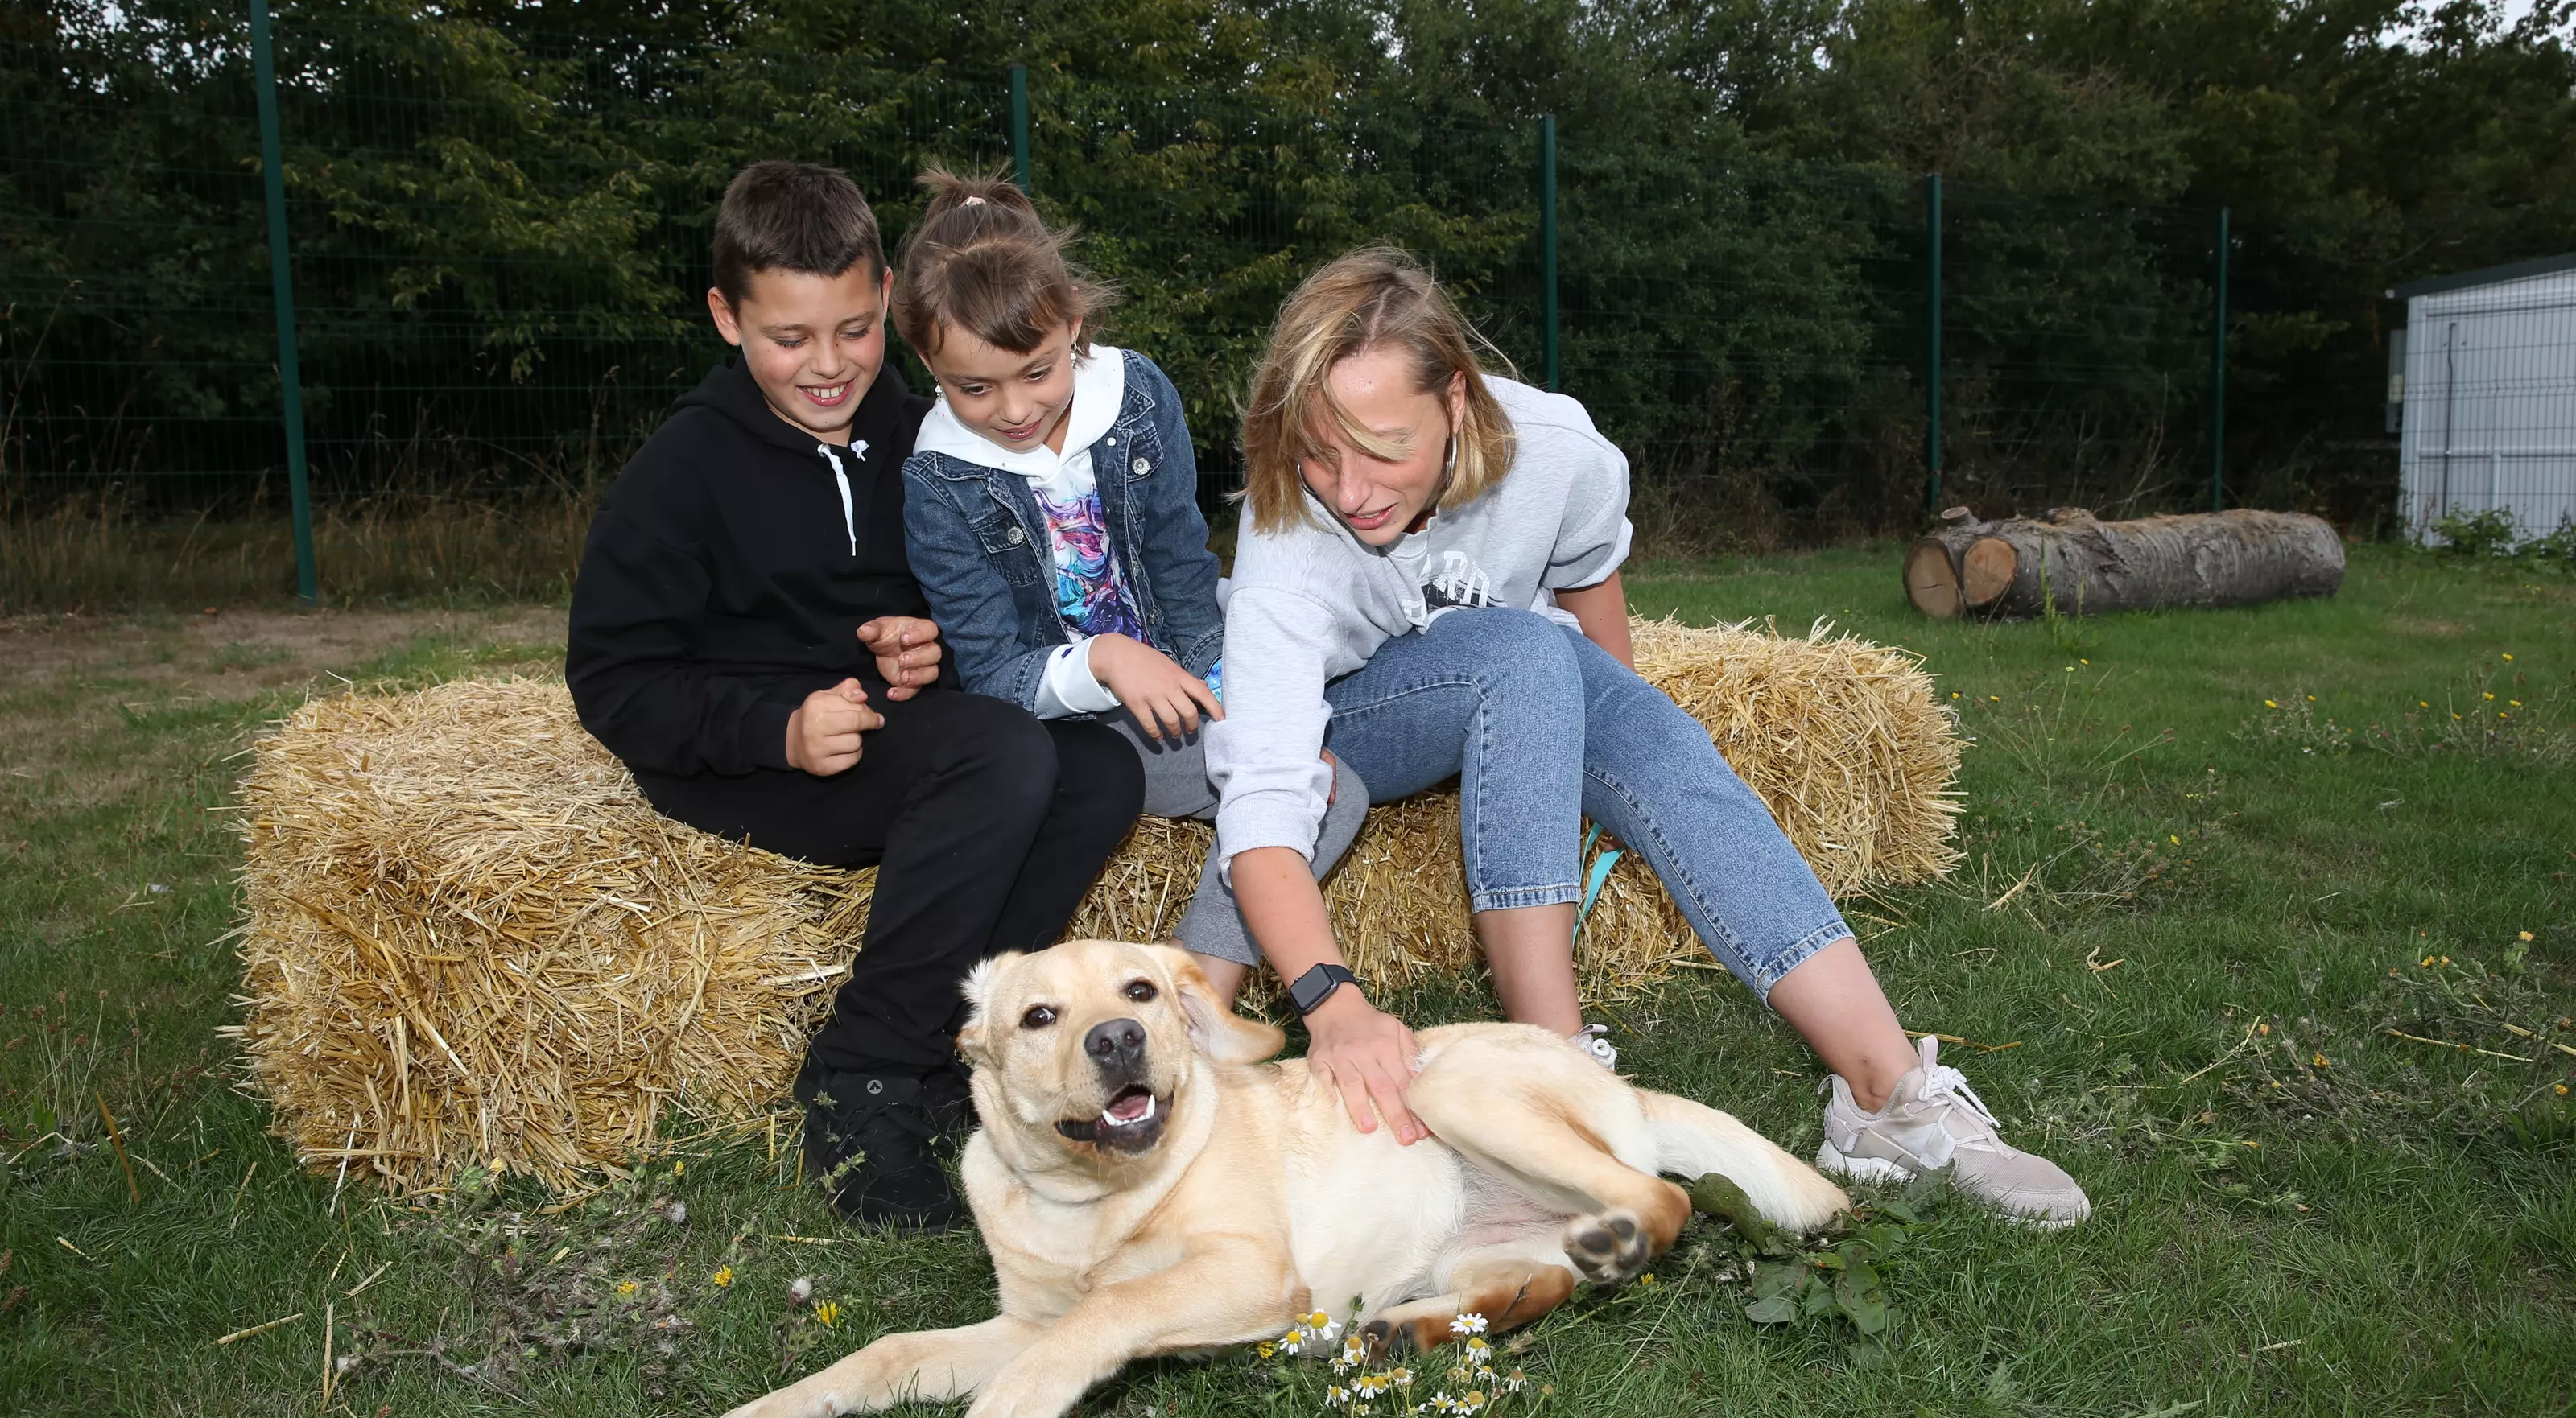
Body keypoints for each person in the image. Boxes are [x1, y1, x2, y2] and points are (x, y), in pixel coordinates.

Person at [1204, 248, 2089, 1226]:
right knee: (1513, 649)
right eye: (1319, 453)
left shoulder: (1555, 446)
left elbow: (1588, 590)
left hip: (1519, 669)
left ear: (1456, 400)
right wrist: (1331, 1000)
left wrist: (1606, 750)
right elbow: (1265, 802)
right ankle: (1556, 1089)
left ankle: (1884, 1096)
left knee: (1653, 738)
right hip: (1362, 720)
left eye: (1381, 448)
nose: (1349, 487)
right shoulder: (1288, 535)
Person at [565, 160, 1142, 1234]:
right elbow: (612, 679)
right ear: (726, 319)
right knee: (1005, 756)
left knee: (1101, 767)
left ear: (887, 294)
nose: (828, 366)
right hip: (739, 764)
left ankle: (955, 1056)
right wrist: (772, 728)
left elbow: (989, 617)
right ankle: (862, 1077)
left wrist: (933, 649)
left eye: (854, 330)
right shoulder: (680, 472)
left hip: (892, 738)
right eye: (790, 338)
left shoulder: (934, 438)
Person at [897, 169, 1368, 978]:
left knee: (1324, 788)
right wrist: (1105, 660)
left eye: (1037, 371)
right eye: (974, 387)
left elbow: (1185, 578)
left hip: (1184, 683)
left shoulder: (1140, 395)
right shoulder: (935, 481)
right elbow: (989, 677)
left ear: (1073, 324)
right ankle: (1170, 1000)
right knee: (1311, 789)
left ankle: (1189, 986)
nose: (1012, 408)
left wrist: (1253, 727)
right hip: (1076, 736)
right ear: (923, 360)